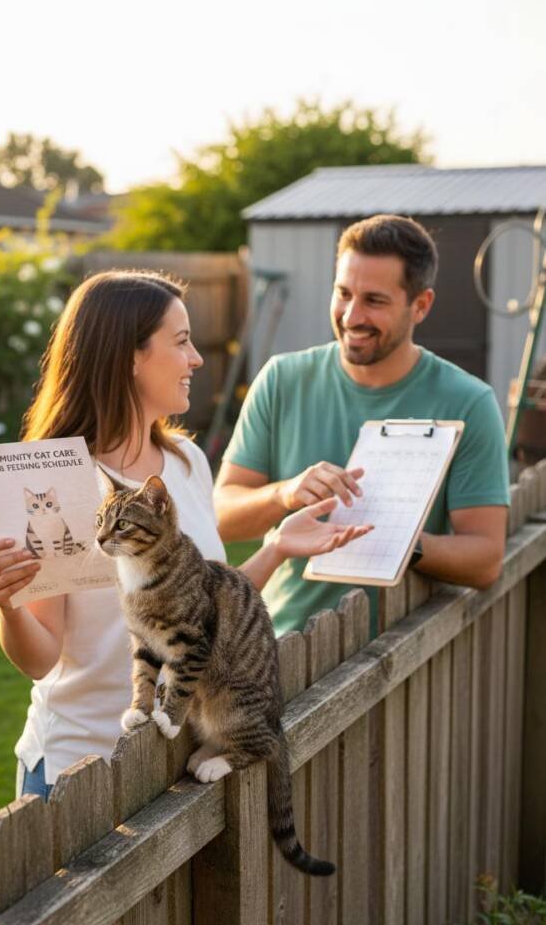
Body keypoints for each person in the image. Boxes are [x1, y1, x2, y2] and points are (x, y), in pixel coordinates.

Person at [0, 271, 369, 801]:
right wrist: (9, 605)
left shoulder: (184, 464)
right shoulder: (54, 480)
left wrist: (276, 546)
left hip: (170, 764)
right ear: (129, 357)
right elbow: (42, 658)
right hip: (79, 772)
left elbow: (203, 610)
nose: (197, 359)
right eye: (181, 342)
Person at [214, 214, 510, 638]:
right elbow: (222, 515)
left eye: (375, 300)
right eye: (343, 293)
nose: (352, 316)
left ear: (421, 305)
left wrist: (396, 539)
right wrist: (284, 493)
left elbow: (485, 559)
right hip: (284, 650)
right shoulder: (281, 380)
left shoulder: (468, 401)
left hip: (402, 658)